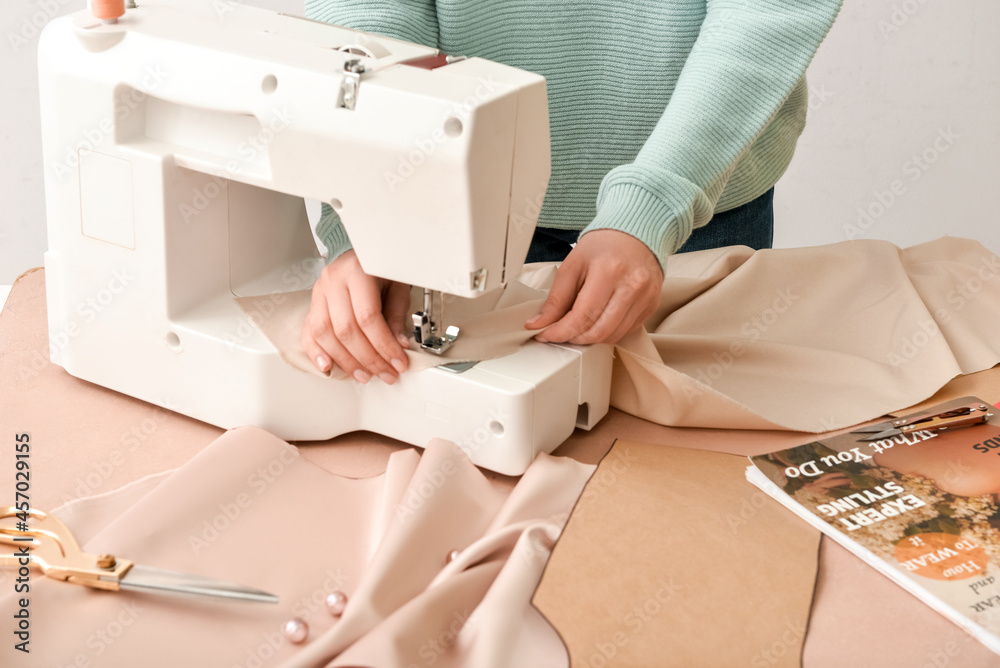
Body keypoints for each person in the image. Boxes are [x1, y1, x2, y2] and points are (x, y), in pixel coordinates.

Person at [301, 0, 843, 385]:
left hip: (696, 214)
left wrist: (649, 207)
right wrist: (365, 214)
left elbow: (766, 13)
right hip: (457, 212)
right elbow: (368, 20)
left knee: (690, 467)